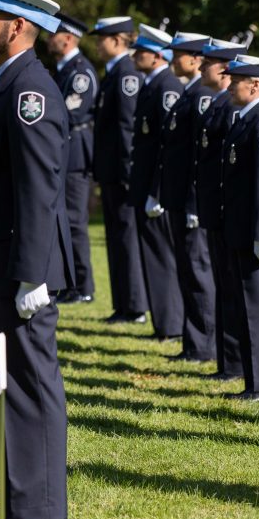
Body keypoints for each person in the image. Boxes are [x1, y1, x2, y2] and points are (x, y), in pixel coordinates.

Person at [0, 0, 73, 519]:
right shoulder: (4, 84)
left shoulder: (30, 89)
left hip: (19, 267)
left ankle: (38, 507)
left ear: (18, 26)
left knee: (29, 384)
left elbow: (38, 187)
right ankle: (21, 496)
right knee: (6, 384)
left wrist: (33, 272)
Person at [220, 55, 259, 401]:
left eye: (236, 81)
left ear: (255, 85)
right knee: (246, 305)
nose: (229, 86)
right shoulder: (244, 119)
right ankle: (255, 379)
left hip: (252, 230)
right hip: (238, 227)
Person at [158, 32, 216, 363]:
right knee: (186, 270)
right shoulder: (189, 92)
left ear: (194, 59)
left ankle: (203, 345)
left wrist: (195, 203)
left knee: (197, 272)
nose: (173, 60)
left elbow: (200, 157)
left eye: (178, 55)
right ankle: (193, 343)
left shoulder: (202, 95)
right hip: (178, 197)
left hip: (190, 200)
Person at [89, 17, 148, 324]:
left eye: (102, 38)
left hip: (121, 171)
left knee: (126, 237)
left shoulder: (126, 73)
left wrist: (127, 171)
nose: (98, 44)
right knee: (115, 238)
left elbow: (127, 127)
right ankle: (123, 303)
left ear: (117, 40)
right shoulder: (113, 73)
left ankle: (135, 305)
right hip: (110, 170)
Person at [193, 39, 245, 381]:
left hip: (229, 210)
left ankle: (236, 363)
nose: (201, 68)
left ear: (225, 68)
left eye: (208, 63)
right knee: (224, 287)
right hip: (216, 208)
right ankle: (228, 363)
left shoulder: (230, 107)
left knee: (234, 290)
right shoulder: (219, 103)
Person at [129, 24, 185, 341]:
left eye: (142, 51)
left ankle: (170, 325)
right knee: (153, 257)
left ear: (157, 55)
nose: (136, 55)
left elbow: (168, 144)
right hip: (146, 182)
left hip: (156, 187)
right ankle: (163, 323)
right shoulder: (152, 84)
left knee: (161, 258)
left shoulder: (166, 86)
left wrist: (157, 191)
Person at [48, 13, 96, 305]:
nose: (48, 40)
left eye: (54, 35)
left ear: (67, 38)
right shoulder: (62, 70)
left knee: (76, 221)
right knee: (64, 219)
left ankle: (83, 285)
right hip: (64, 150)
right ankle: (71, 283)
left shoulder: (79, 73)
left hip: (76, 153)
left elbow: (70, 112)